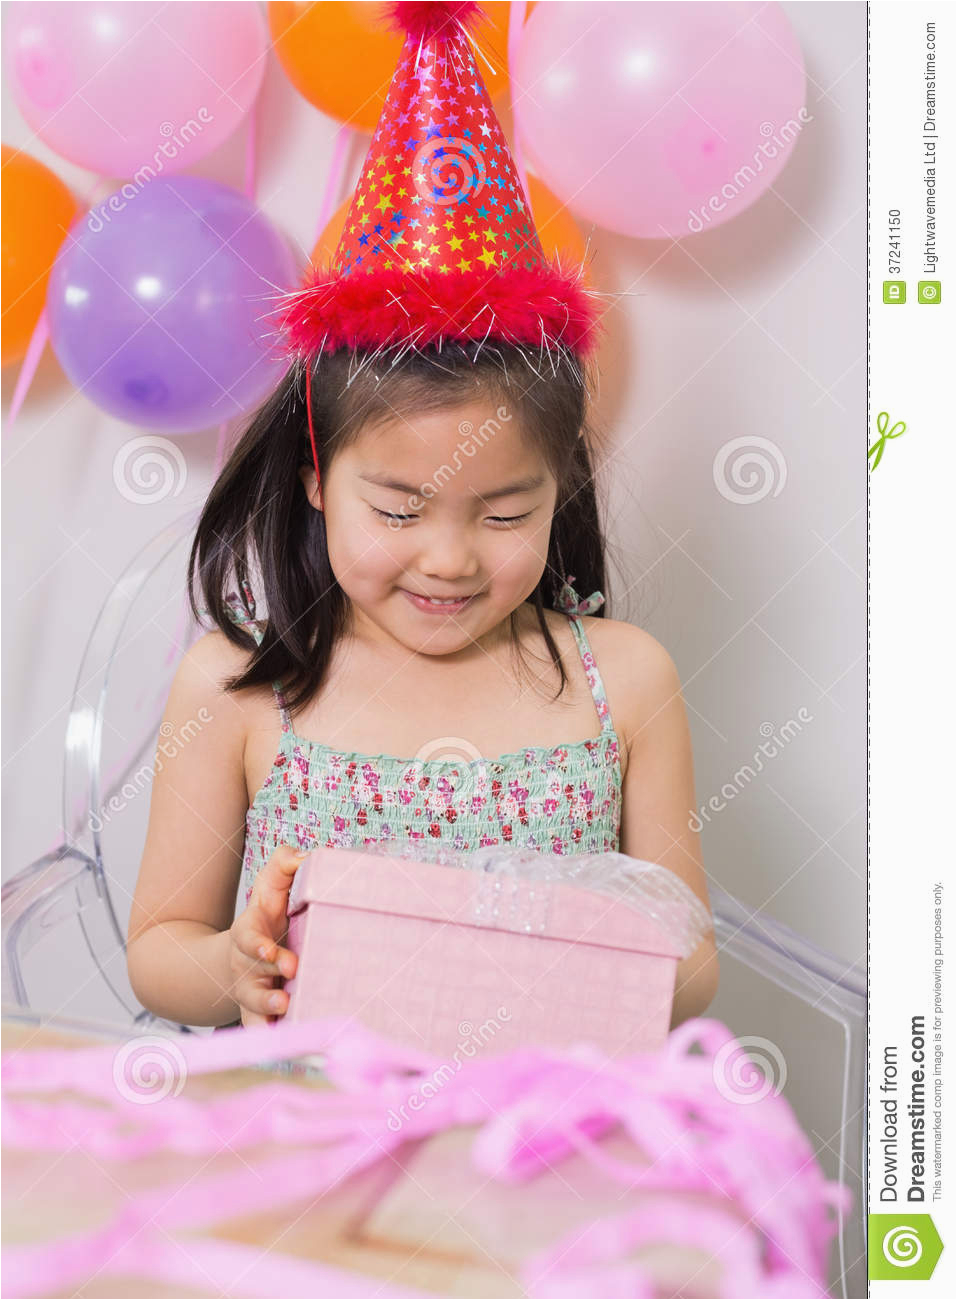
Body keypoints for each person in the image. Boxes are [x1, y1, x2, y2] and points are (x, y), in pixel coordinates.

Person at [126, 0, 718, 1034]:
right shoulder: (235, 690)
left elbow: (695, 959)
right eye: (398, 508)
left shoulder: (623, 681)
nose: (447, 559)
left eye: (504, 513)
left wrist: (583, 958)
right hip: (314, 1131)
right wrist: (235, 967)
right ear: (316, 474)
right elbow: (160, 948)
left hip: (540, 1139)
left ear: (559, 493)